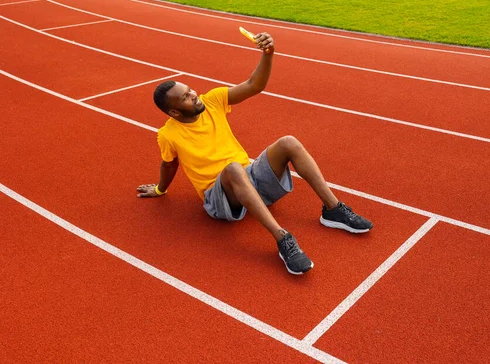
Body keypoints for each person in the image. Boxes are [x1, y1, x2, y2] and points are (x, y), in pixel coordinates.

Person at [137, 32, 373, 275]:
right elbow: (169, 165)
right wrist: (159, 189)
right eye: (185, 97)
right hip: (218, 197)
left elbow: (254, 85)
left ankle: (332, 209)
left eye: (190, 89)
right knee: (232, 169)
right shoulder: (168, 134)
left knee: (288, 142)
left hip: (249, 178)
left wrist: (268, 54)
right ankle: (283, 239)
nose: (194, 94)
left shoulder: (214, 100)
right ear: (174, 112)